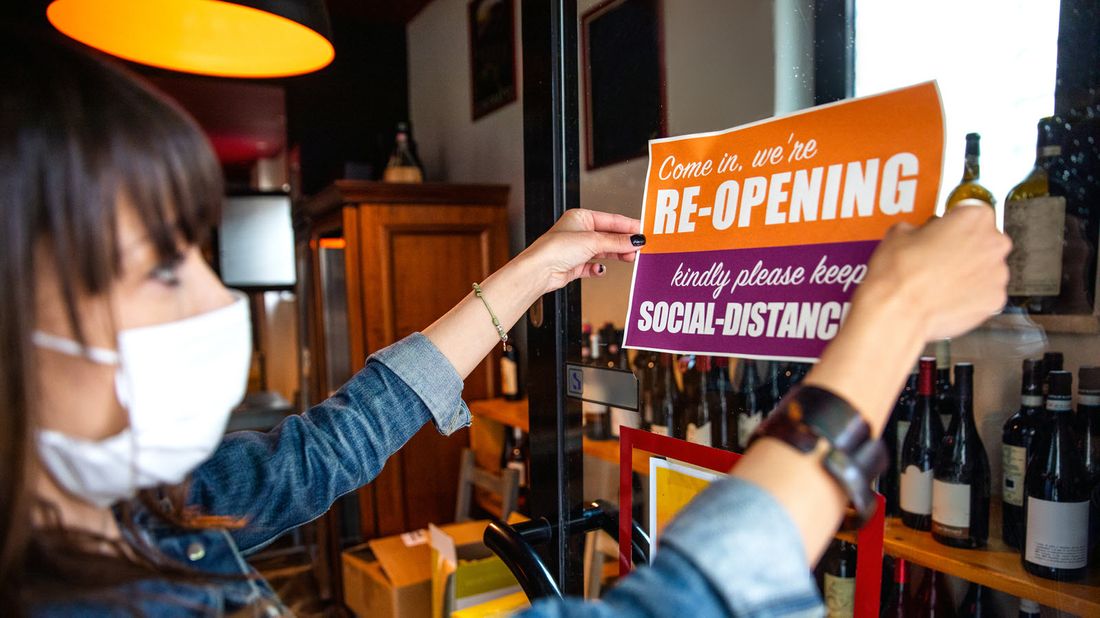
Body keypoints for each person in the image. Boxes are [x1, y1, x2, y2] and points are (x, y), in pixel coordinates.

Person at [0, 32, 1010, 617]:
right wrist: (891, 316)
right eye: (162, 266)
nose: (217, 303)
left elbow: (336, 441)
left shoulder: (144, 519)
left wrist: (530, 271)